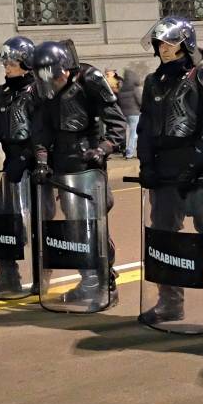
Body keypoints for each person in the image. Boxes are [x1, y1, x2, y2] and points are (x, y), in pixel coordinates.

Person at [135, 18, 203, 334]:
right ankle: (170, 303)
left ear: (186, 44)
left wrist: (194, 165)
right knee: (165, 240)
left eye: (169, 44)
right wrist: (146, 166)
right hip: (163, 175)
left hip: (199, 174)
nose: (163, 49)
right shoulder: (154, 81)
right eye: (160, 44)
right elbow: (146, 128)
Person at [31, 40, 127, 307]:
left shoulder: (90, 79)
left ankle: (106, 282)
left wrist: (104, 148)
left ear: (65, 69)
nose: (51, 81)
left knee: (93, 227)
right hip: (63, 167)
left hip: (88, 168)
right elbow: (41, 129)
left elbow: (117, 121)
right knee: (74, 229)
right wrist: (41, 159)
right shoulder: (45, 89)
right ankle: (88, 282)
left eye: (55, 75)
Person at [0, 36, 41, 294]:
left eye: (12, 61)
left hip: (35, 166)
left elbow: (42, 129)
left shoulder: (38, 91)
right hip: (10, 164)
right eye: (5, 61)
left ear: (26, 62)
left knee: (37, 224)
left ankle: (40, 279)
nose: (7, 66)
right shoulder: (1, 93)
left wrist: (27, 158)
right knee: (3, 221)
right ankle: (8, 275)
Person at [115, 70, 141, 159]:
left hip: (125, 113)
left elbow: (120, 101)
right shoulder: (134, 88)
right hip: (134, 113)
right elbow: (139, 100)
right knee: (134, 133)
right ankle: (130, 151)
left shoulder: (122, 89)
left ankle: (127, 150)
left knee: (127, 132)